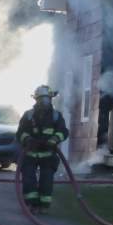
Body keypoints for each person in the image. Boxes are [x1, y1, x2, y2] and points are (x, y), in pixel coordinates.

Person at [15, 85, 69, 213]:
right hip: (30, 153)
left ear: (51, 99)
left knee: (47, 180)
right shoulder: (28, 115)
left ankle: (44, 205)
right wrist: (27, 140)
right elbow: (20, 132)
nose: (43, 102)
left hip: (48, 154)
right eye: (40, 99)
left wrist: (54, 139)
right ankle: (31, 204)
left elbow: (63, 131)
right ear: (36, 100)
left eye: (46, 99)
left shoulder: (56, 116)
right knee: (29, 179)